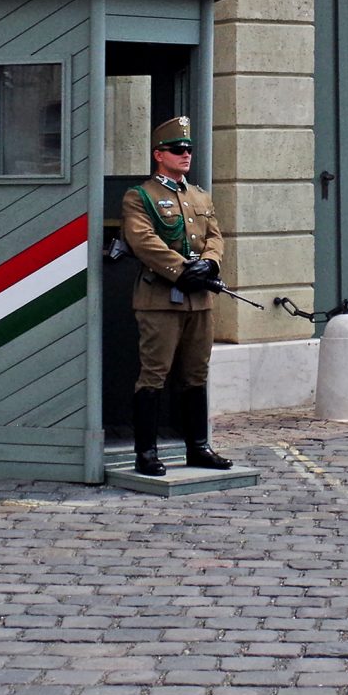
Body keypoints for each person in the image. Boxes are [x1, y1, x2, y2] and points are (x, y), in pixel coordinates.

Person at [118, 116, 232, 476]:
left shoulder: (199, 195)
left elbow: (215, 236)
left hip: (199, 300)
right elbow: (143, 241)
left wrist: (210, 264)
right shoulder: (141, 196)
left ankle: (198, 447)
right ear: (159, 154)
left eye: (189, 149)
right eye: (177, 149)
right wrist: (183, 270)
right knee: (154, 375)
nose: (186, 155)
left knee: (196, 373)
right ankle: (146, 452)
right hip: (160, 300)